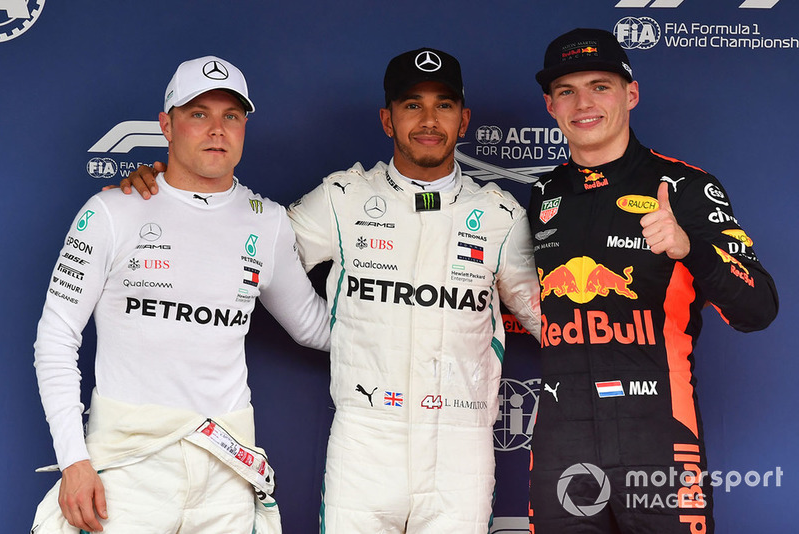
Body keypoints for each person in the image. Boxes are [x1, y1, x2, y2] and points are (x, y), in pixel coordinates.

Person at [118, 47, 541, 534]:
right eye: (411, 105)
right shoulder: (344, 198)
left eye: (443, 105)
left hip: (461, 447)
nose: (428, 120)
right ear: (387, 119)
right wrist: (168, 191)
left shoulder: (500, 216)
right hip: (365, 438)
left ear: (463, 120)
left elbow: (548, 320)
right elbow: (245, 247)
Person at [32, 55, 330, 533]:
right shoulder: (111, 210)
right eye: (198, 114)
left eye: (231, 116)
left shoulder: (267, 220)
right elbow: (55, 338)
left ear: (244, 127)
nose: (217, 130)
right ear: (165, 125)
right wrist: (73, 460)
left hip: (226, 472)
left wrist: (428, 322)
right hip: (128, 471)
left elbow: (315, 326)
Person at [527, 28, 778, 534]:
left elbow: (759, 309)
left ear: (631, 94)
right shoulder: (541, 196)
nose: (583, 103)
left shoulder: (685, 186)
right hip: (561, 440)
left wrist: (691, 248)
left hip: (658, 433)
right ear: (550, 105)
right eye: (567, 91)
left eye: (600, 86)